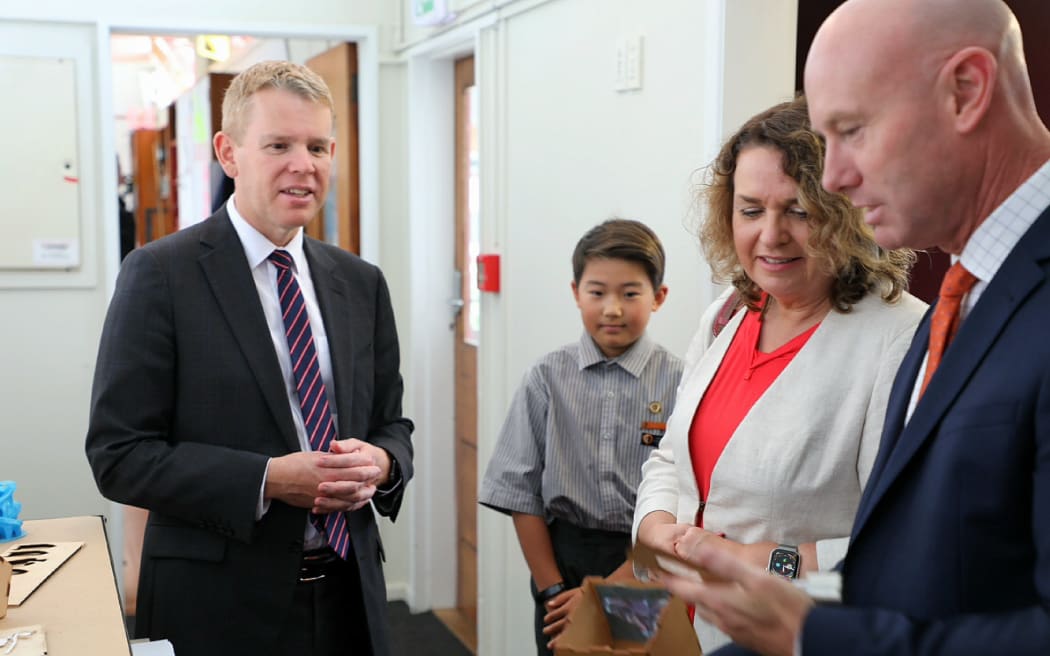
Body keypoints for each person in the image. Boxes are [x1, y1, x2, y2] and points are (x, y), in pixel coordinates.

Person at [659, 1, 1050, 654]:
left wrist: (809, 633)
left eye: (853, 129)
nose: (835, 177)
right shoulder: (970, 294)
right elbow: (922, 562)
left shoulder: (909, 326)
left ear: (966, 90)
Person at [85, 61, 414, 656]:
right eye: (278, 145)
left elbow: (392, 425)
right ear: (229, 153)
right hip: (218, 604)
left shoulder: (361, 283)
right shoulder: (161, 275)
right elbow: (119, 455)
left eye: (317, 146)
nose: (303, 164)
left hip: (350, 595)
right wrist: (268, 480)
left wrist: (383, 464)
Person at [631, 95, 926, 652]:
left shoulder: (901, 340)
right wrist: (653, 527)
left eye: (798, 210)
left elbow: (905, 546)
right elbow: (671, 455)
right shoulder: (727, 314)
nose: (771, 235)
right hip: (682, 624)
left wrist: (778, 564)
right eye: (750, 210)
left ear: (845, 211)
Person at [479, 218, 684, 655]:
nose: (612, 308)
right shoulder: (546, 377)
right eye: (597, 292)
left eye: (630, 293)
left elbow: (687, 497)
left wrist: (617, 586)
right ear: (576, 293)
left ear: (658, 297)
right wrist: (552, 587)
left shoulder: (680, 381)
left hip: (643, 564)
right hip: (564, 562)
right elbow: (520, 493)